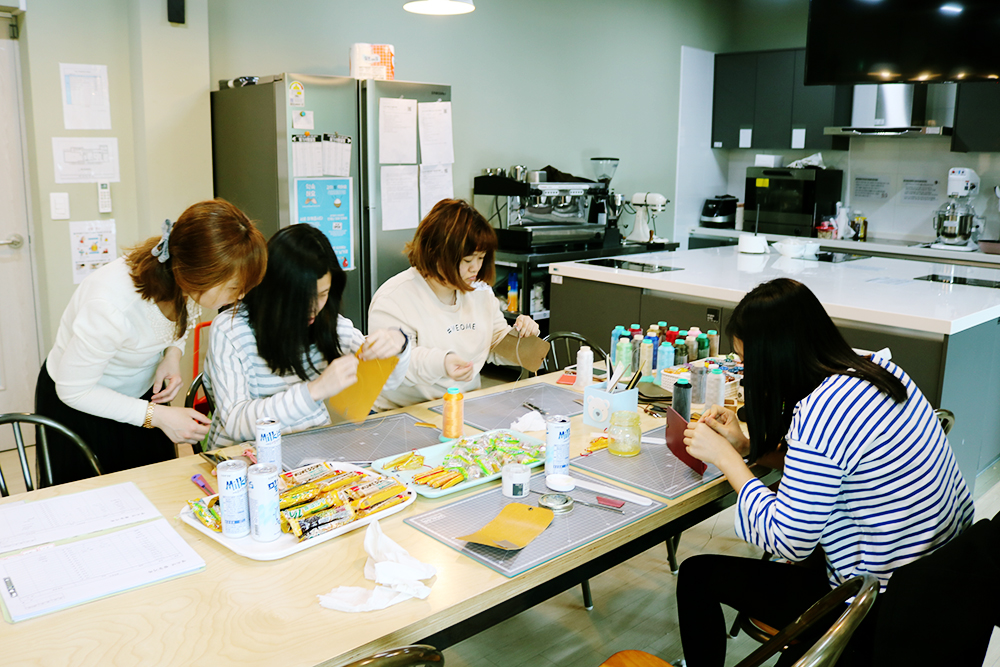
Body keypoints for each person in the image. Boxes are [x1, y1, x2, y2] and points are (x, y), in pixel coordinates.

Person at [677, 278, 974, 667]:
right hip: (938, 579)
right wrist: (748, 448)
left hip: (877, 606)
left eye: (747, 362)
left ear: (776, 357)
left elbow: (789, 540)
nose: (745, 372)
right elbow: (830, 471)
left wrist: (727, 460)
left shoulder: (822, 413)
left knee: (696, 575)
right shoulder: (876, 369)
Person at [36, 199, 268, 484]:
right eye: (235, 287)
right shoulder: (111, 305)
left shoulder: (179, 276)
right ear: (199, 275)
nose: (241, 295)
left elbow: (180, 321)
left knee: (152, 490)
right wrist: (157, 416)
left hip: (140, 398)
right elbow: (73, 390)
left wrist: (171, 355)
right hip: (82, 404)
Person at [203, 224, 411, 450]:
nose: (313, 308)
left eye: (323, 294)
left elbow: (389, 383)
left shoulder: (329, 324)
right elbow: (235, 423)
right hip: (244, 458)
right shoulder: (230, 330)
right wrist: (315, 391)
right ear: (275, 290)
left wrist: (398, 344)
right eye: (303, 298)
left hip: (310, 454)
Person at [367, 199, 539, 409]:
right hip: (404, 412)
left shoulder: (479, 292)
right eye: (467, 260)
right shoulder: (394, 298)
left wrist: (522, 337)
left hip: (462, 405)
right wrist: (442, 362)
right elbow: (396, 366)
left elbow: (494, 343)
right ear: (436, 253)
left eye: (481, 258)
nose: (475, 268)